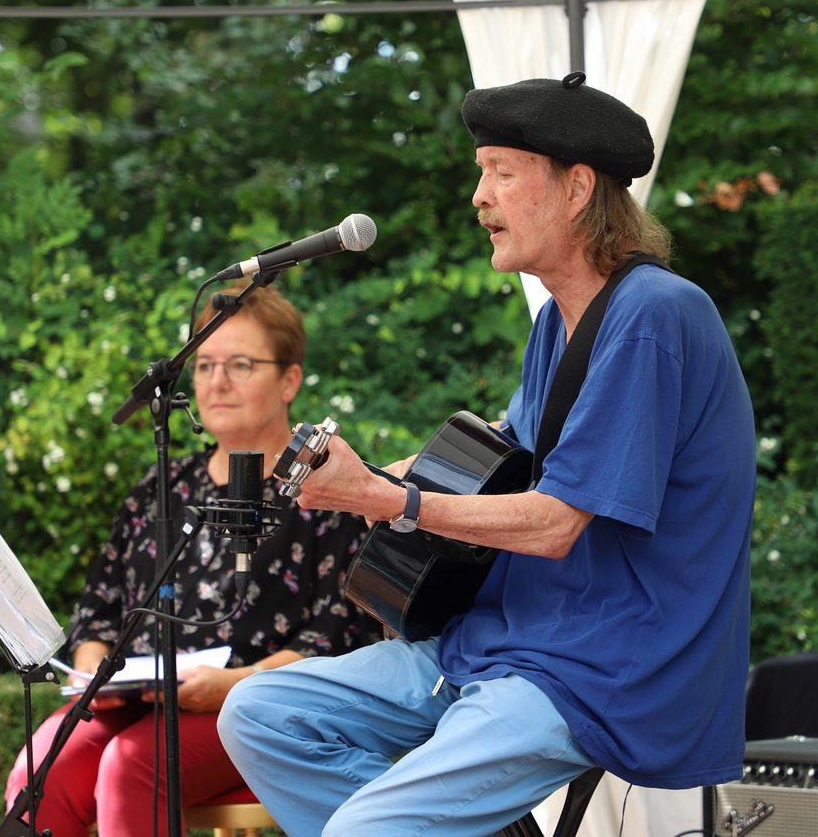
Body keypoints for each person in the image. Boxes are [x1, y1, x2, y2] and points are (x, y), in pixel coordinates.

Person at [218, 73, 756, 835]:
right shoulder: (559, 322)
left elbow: (555, 523)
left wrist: (386, 499)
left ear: (577, 189)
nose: (479, 197)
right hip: (507, 639)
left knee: (364, 831)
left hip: (599, 666)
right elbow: (503, 465)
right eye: (482, 174)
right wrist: (367, 475)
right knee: (259, 714)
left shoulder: (654, 316)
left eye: (502, 172)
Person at [5, 284, 370, 837]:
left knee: (131, 765)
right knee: (41, 770)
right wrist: (95, 678)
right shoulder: (160, 485)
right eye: (204, 365)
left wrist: (234, 684)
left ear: (289, 381)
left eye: (240, 364)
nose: (216, 382)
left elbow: (337, 637)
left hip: (259, 706)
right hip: (137, 700)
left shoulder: (326, 494)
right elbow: (98, 614)